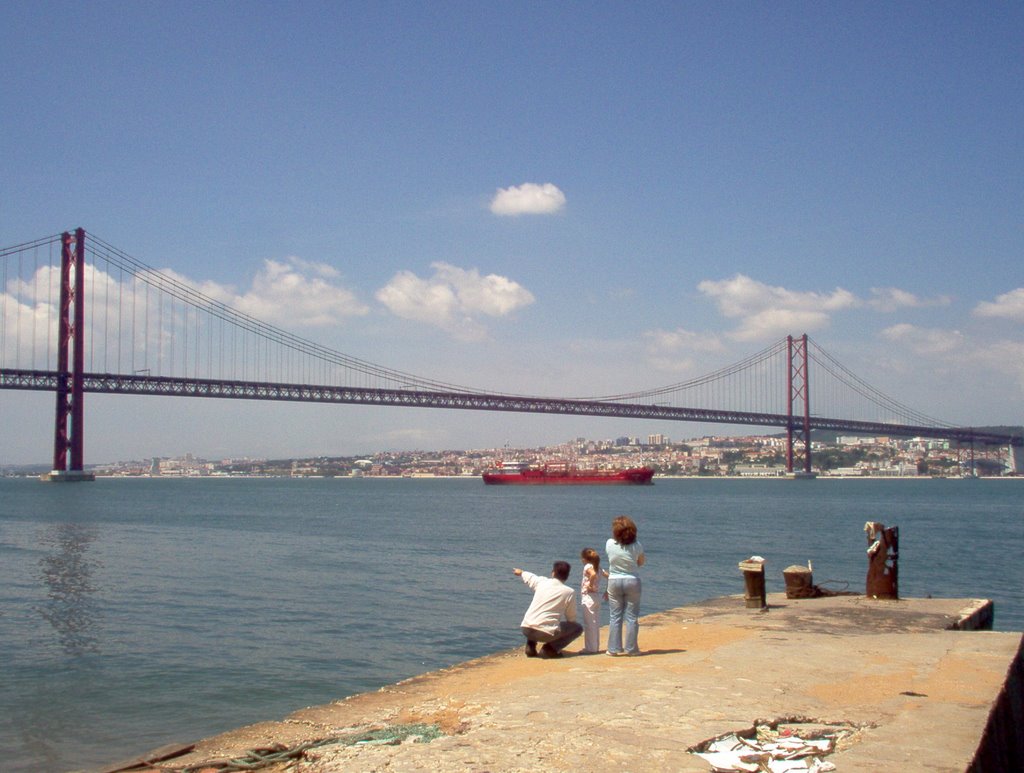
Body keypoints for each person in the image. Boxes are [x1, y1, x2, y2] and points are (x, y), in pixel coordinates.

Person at [513, 561, 583, 658]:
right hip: (545, 633)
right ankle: (550, 649)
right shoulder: (569, 592)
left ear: (553, 573)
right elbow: (571, 618)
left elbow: (530, 577)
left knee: (536, 617)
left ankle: (531, 646)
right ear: (567, 576)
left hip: (526, 629)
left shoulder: (542, 582)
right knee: (578, 628)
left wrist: (521, 572)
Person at [605, 515, 645, 656]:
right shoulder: (637, 545)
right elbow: (641, 562)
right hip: (632, 580)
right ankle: (631, 649)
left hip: (614, 580)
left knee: (615, 616)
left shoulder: (609, 543)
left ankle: (613, 649)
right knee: (632, 616)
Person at [579, 548, 604, 653]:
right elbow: (608, 576)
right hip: (596, 597)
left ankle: (590, 649)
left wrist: (590, 584)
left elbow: (592, 574)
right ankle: (595, 647)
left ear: (584, 559)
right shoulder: (598, 567)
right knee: (595, 623)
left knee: (589, 624)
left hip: (588, 597)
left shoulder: (588, 566)